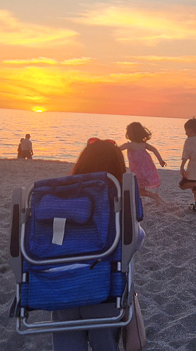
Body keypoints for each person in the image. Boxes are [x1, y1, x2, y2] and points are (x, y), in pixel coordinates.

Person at [52, 138, 135, 351]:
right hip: (103, 289)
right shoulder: (119, 200)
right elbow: (132, 242)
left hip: (64, 285)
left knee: (67, 344)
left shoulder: (61, 198)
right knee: (105, 344)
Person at [119, 122, 166, 203]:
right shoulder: (143, 144)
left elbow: (117, 149)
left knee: (139, 190)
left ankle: (153, 196)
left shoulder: (129, 145)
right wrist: (160, 161)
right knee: (139, 190)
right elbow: (154, 150)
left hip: (138, 172)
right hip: (146, 170)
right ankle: (152, 196)